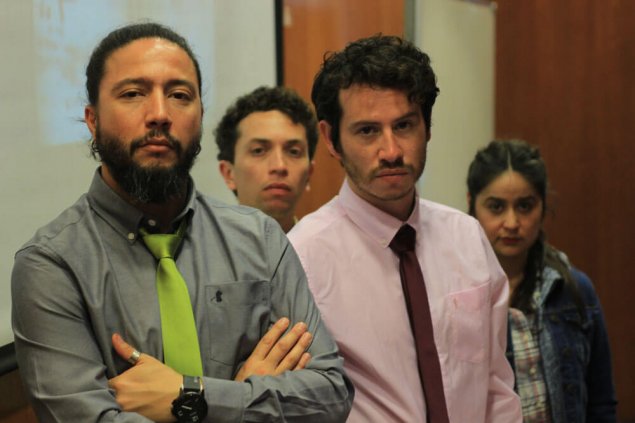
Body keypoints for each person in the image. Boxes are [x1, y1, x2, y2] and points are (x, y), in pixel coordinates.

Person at [11, 22, 353, 422]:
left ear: (200, 115)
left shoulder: (259, 238)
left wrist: (193, 397)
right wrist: (241, 400)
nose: (159, 114)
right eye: (132, 94)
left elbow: (329, 396)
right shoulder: (52, 265)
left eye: (179, 95)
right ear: (92, 118)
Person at [288, 35, 521, 422]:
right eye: (367, 131)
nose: (392, 151)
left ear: (427, 127)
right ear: (331, 139)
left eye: (404, 125)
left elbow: (496, 387)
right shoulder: (302, 258)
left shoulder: (467, 238)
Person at [466, 139, 617, 423]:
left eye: (525, 206)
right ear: (471, 204)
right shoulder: (455, 292)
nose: (512, 223)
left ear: (543, 206)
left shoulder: (574, 290)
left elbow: (601, 404)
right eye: (496, 207)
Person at [215, 86, 317, 232]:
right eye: (259, 151)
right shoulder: (202, 246)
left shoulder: (326, 245)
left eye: (294, 152)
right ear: (229, 174)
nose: (279, 166)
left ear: (309, 174)